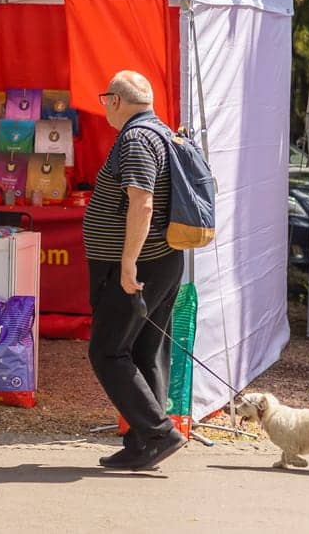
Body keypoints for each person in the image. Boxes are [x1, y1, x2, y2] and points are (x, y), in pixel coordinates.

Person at [82, 69, 186, 472]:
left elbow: (141, 203)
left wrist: (127, 265)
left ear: (114, 100)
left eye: (104, 100)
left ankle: (159, 433)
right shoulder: (161, 131)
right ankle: (143, 444)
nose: (104, 108)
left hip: (137, 263)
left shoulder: (136, 138)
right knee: (145, 351)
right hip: (164, 258)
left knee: (107, 350)